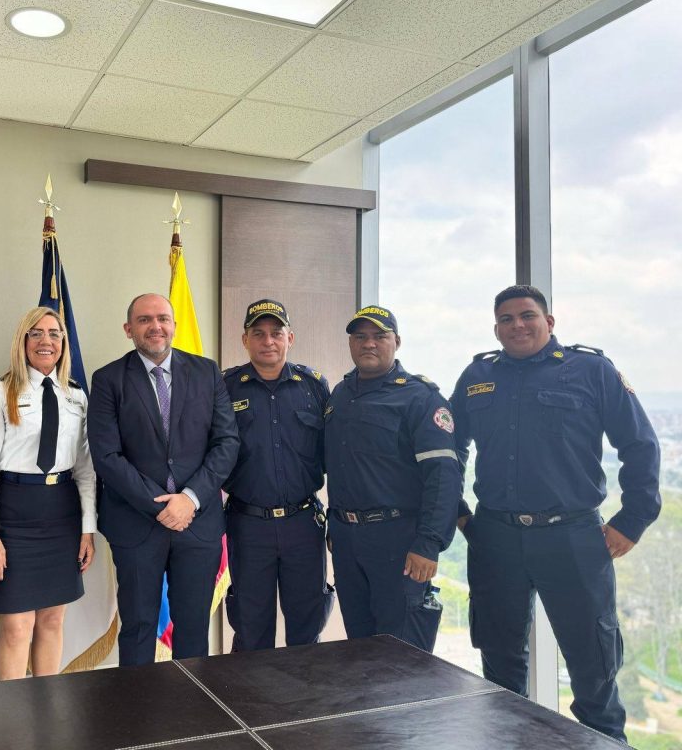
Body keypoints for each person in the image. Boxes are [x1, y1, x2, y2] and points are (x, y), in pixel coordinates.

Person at [450, 285, 660, 743]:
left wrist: (632, 521)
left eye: (527, 315)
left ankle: (606, 742)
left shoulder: (592, 370)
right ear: (496, 329)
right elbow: (448, 448)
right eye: (506, 319)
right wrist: (460, 514)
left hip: (573, 538)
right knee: (499, 664)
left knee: (593, 663)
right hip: (496, 538)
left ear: (549, 321)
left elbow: (640, 444)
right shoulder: (477, 375)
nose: (517, 325)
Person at [87, 293, 239, 665]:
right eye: (144, 320)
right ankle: (138, 704)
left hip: (197, 523)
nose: (155, 326)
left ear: (173, 325)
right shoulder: (108, 379)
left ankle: (190, 703)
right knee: (138, 628)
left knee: (193, 629)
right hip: (136, 524)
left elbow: (226, 442)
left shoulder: (207, 372)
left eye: (162, 319)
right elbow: (107, 456)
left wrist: (190, 498)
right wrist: (159, 506)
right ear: (128, 329)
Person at [323, 305, 460, 652]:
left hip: (398, 542)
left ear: (396, 342)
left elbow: (443, 476)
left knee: (403, 655)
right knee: (360, 648)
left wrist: (429, 543)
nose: (368, 343)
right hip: (347, 541)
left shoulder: (420, 397)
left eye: (379, 336)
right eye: (360, 336)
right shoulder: (340, 395)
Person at [0, 307, 96, 679]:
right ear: (23, 340)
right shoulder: (0, 391)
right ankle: (14, 710)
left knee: (53, 620)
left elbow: (86, 470)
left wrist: (87, 528)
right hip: (14, 514)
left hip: (62, 513)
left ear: (63, 342)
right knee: (17, 627)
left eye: (54, 334)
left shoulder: (76, 396)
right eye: (37, 333)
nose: (46, 341)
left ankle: (46, 703)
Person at [221, 299, 332, 651]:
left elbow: (333, 454)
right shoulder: (225, 388)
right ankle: (252, 691)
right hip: (248, 525)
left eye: (276, 333)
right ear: (245, 340)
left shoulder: (314, 386)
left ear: (290, 338)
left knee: (307, 630)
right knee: (251, 631)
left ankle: (305, 691)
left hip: (303, 524)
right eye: (258, 333)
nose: (268, 341)